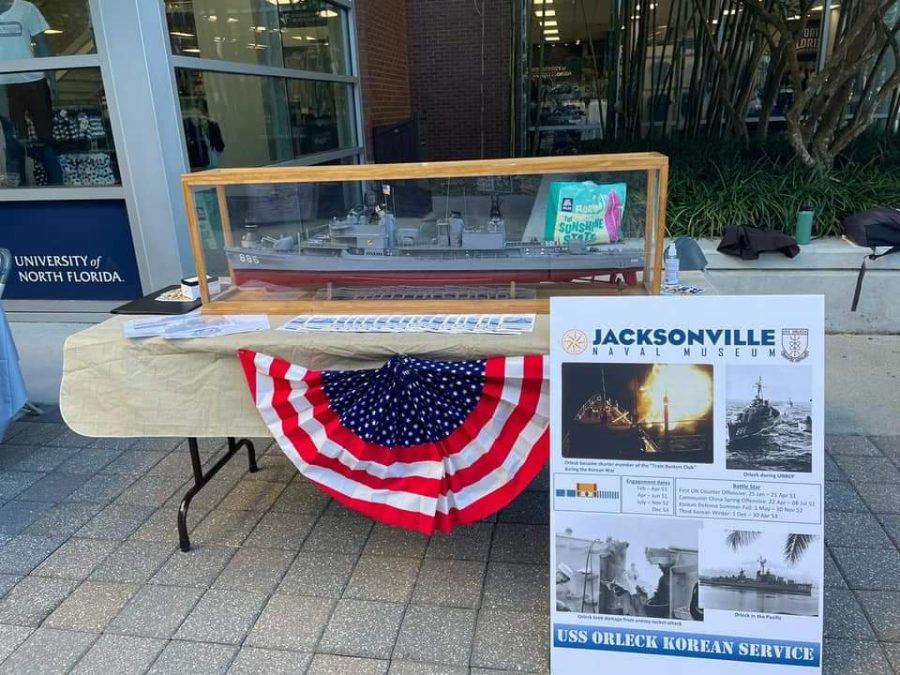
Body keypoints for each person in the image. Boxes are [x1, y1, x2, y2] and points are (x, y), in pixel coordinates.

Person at [0, 0, 62, 185]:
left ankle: (57, 188)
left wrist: (51, 77)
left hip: (34, 81)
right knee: (14, 140)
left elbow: (41, 43)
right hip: (3, 85)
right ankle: (19, 193)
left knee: (46, 138)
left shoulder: (26, 9)